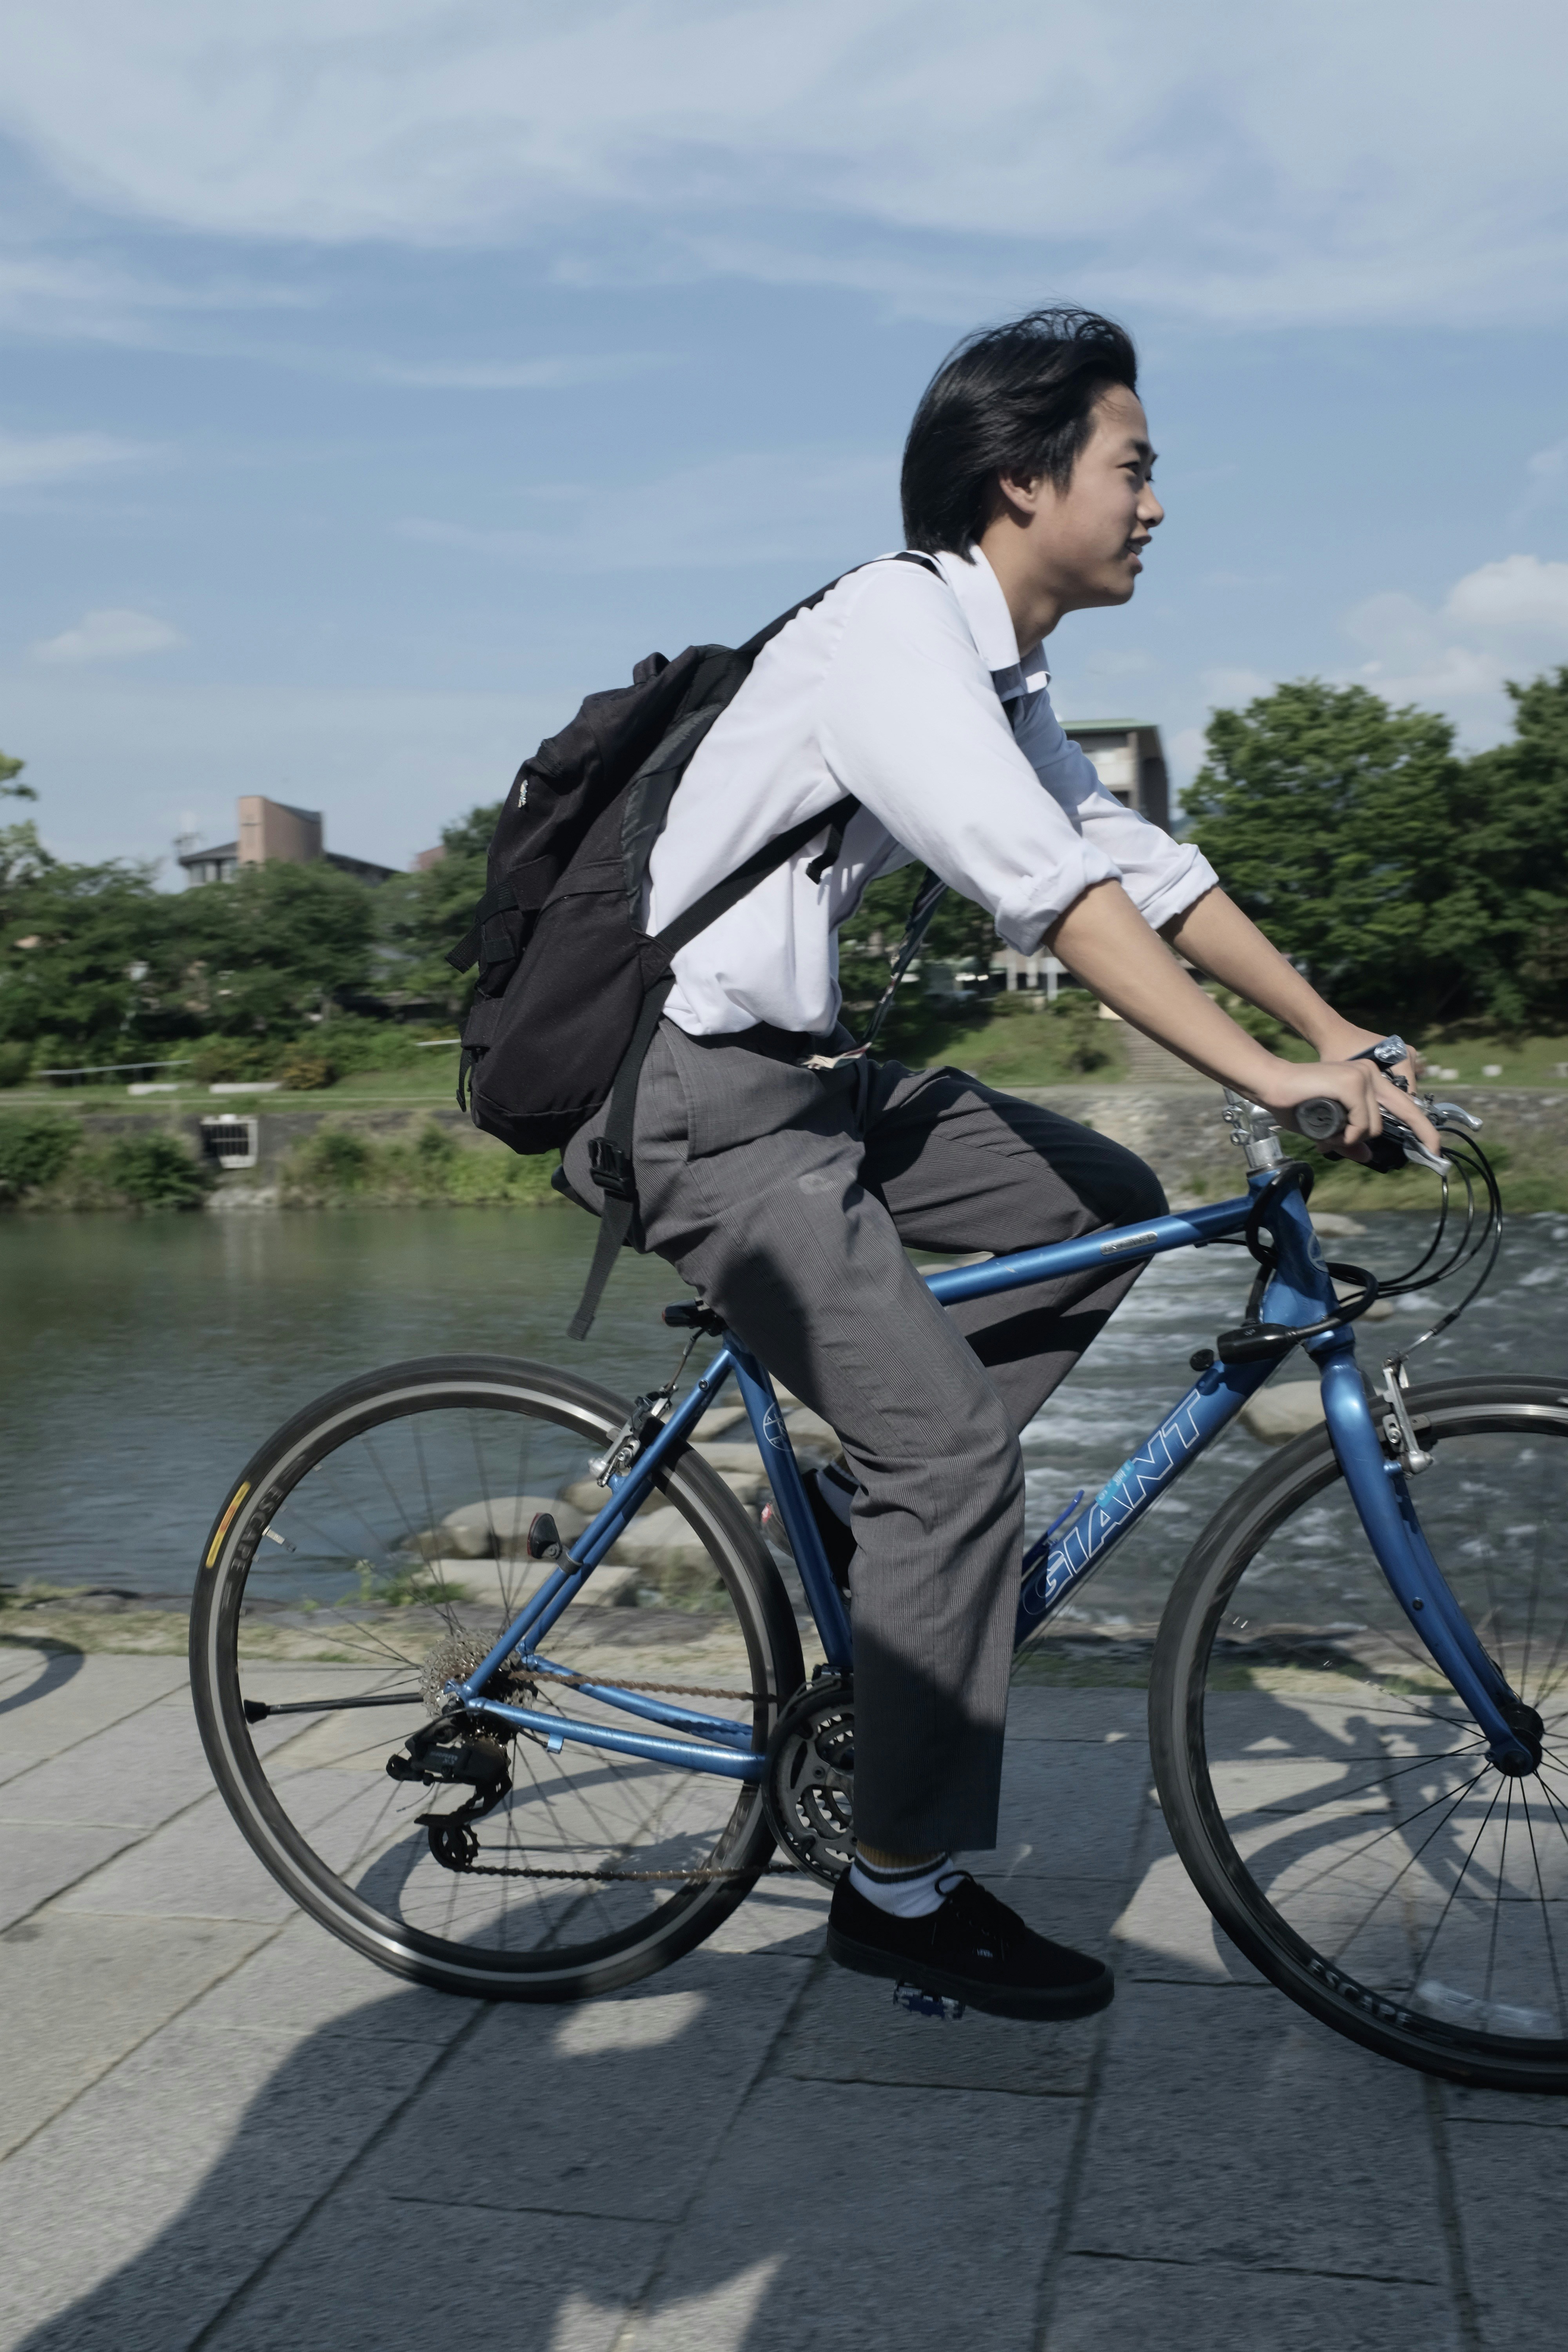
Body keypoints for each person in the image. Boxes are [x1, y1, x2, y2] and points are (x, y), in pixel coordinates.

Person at [564, 307, 1439, 2021]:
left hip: (809, 1087)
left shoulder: (997, 668)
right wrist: (1264, 1076)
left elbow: (1140, 862)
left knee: (1093, 1204)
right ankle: (897, 1890)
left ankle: (855, 1516)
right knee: (957, 1462)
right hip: (696, 1105)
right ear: (1022, 478)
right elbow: (1042, 888)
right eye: (1134, 466)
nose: (1155, 505)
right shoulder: (891, 629)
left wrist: (1333, 1035)